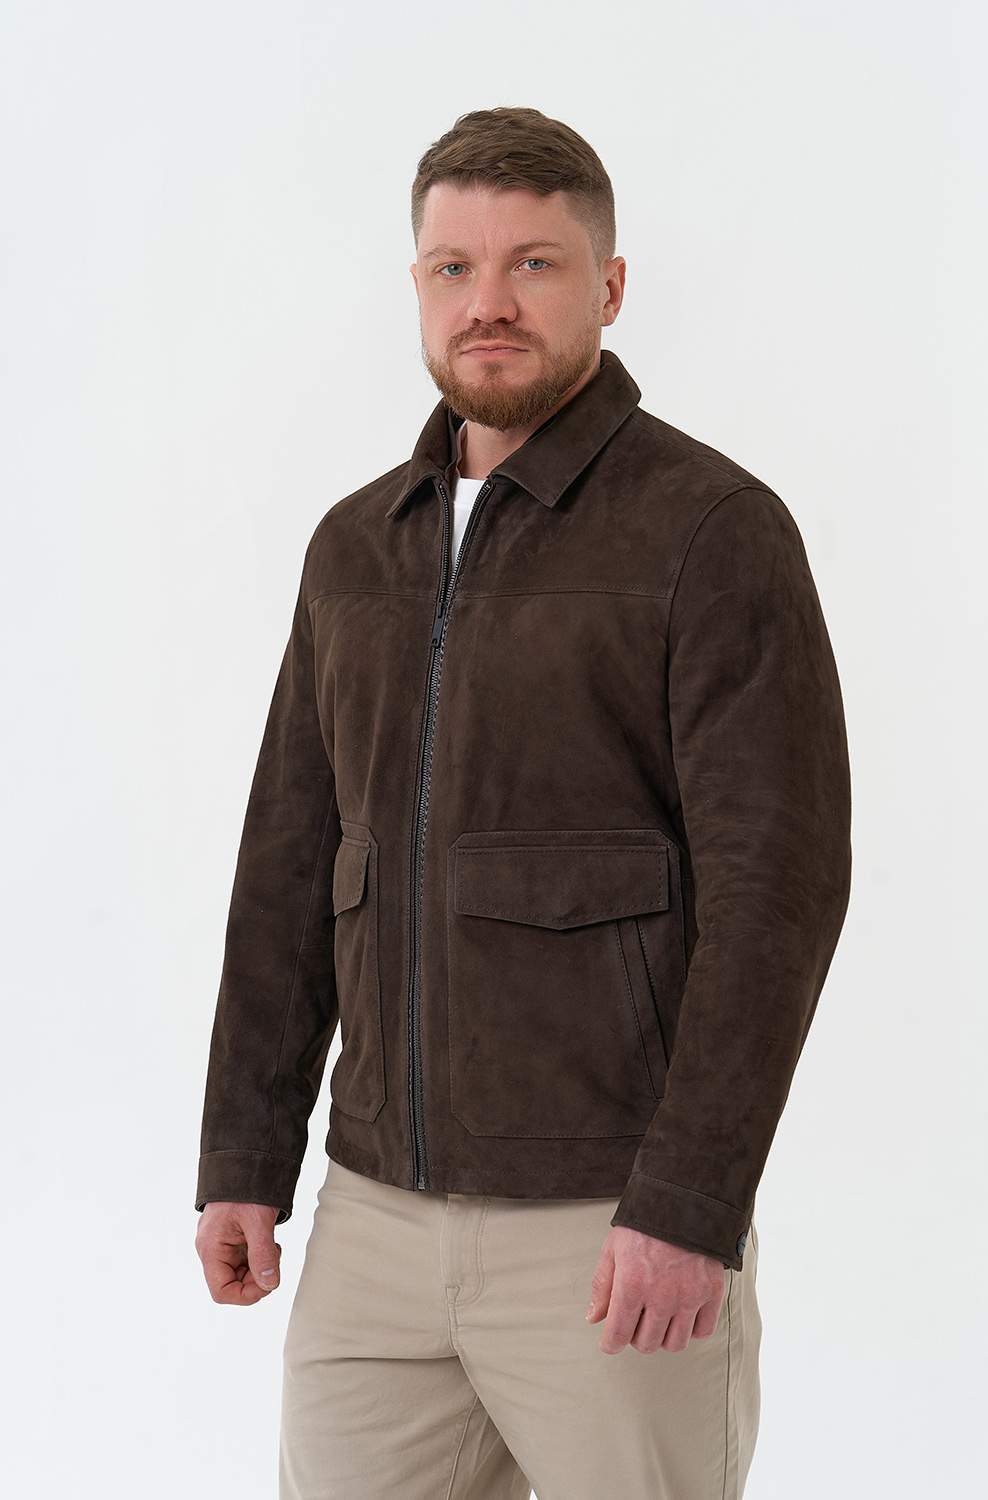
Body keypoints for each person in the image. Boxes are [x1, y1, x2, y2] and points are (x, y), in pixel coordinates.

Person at [195, 106, 851, 1500]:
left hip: (610, 1226)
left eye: (533, 265)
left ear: (607, 288)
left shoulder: (711, 531)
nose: (487, 302)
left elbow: (778, 892)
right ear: (417, 286)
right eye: (454, 267)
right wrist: (244, 1152)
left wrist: (691, 1201)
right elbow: (290, 861)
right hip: (372, 1226)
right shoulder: (353, 546)